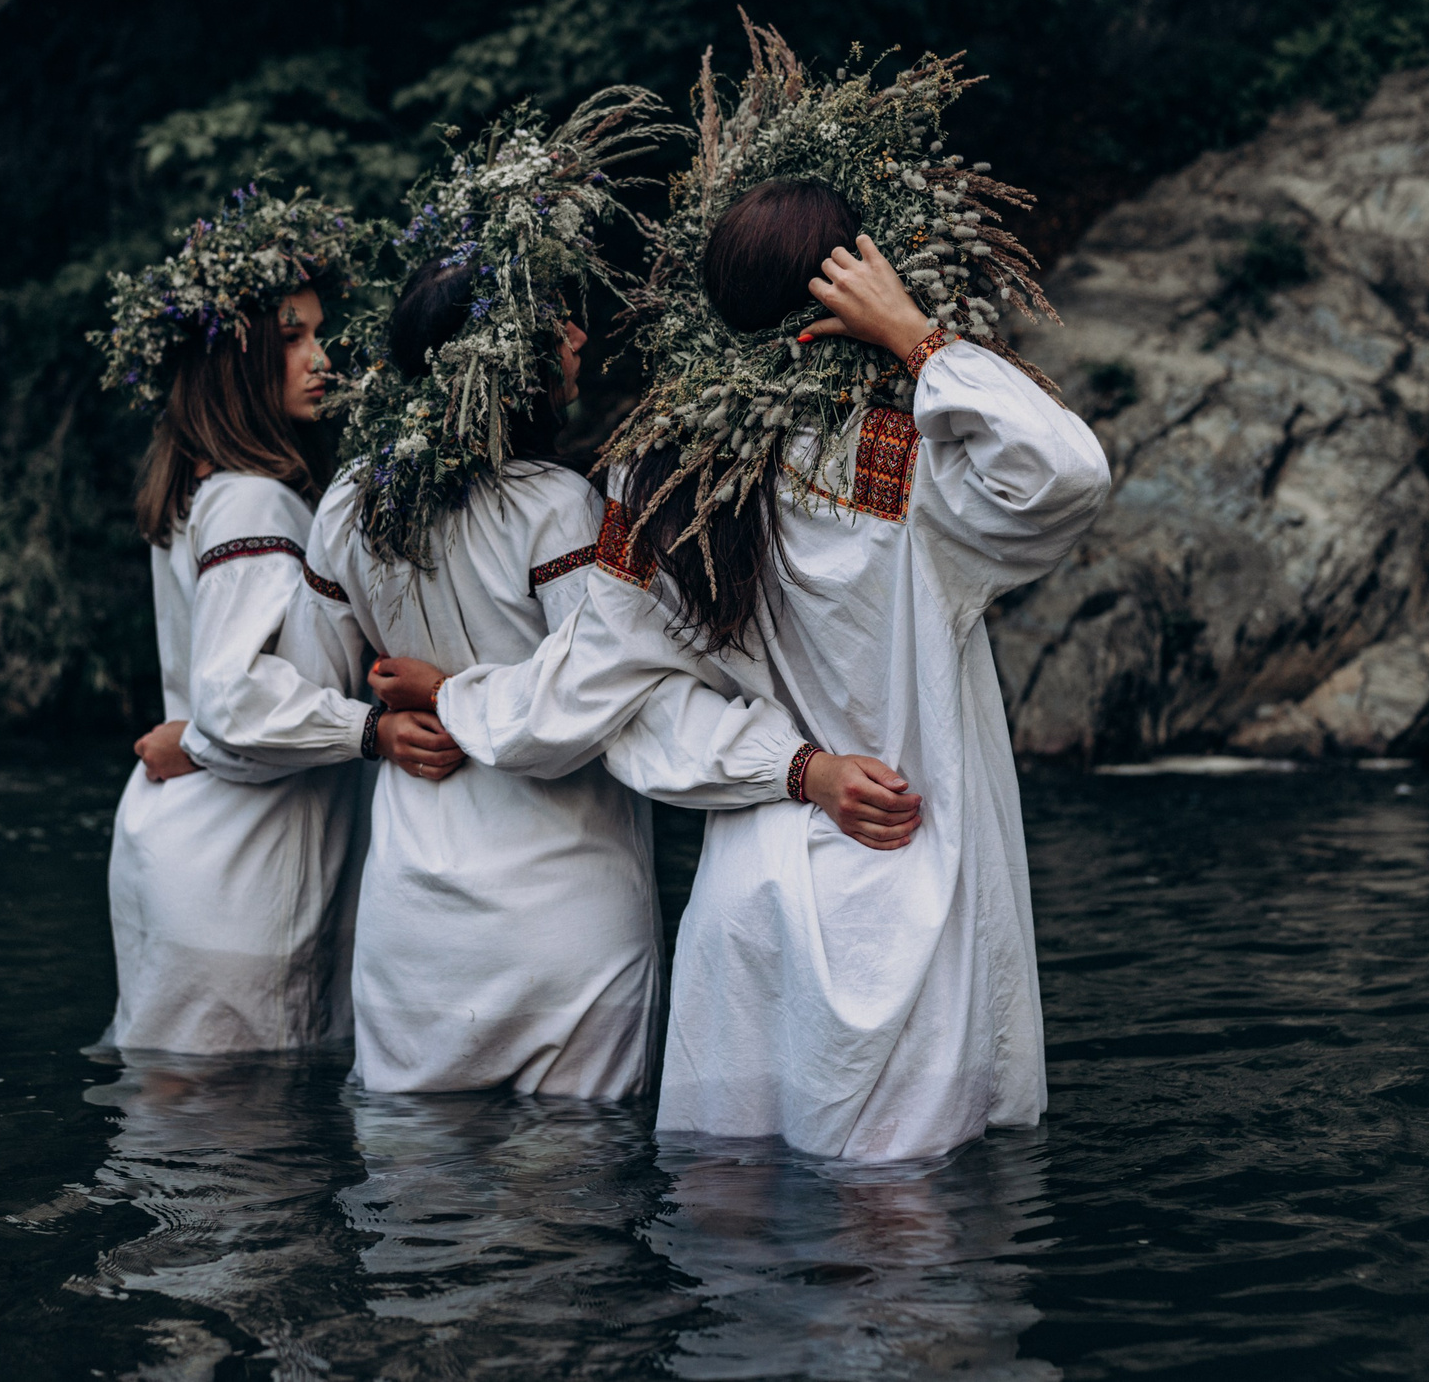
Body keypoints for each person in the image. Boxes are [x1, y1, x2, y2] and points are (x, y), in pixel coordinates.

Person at [379, 39, 1109, 1160]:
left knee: (731, 1281)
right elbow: (1069, 472)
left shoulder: (651, 484)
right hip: (899, 895)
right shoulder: (912, 471)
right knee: (901, 1287)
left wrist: (792, 770)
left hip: (746, 911)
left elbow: (615, 703)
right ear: (845, 300)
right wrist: (919, 338)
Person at [218, 95, 914, 1101]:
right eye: (556, 324)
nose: (581, 337)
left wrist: (381, 724)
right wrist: (796, 762)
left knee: (417, 1225)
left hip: (413, 921)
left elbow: (293, 694)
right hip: (562, 913)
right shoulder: (558, 507)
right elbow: (607, 691)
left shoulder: (344, 509)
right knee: (566, 1219)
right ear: (499, 368)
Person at [86, 191, 448, 1057]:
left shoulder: (202, 489)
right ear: (234, 363)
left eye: (318, 334)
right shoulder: (255, 498)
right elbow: (233, 698)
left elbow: (211, 705)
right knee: (240, 1161)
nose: (321, 359)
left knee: (179, 1143)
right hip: (239, 862)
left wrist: (194, 740)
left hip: (188, 838)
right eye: (292, 339)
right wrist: (375, 730)